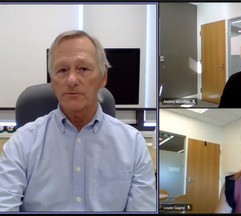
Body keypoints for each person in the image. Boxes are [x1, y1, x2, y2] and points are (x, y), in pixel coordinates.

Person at [0, 30, 156, 212]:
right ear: (52, 80)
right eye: (62, 70)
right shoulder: (22, 143)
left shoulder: (133, 144)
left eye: (83, 69)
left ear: (103, 77)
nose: (72, 80)